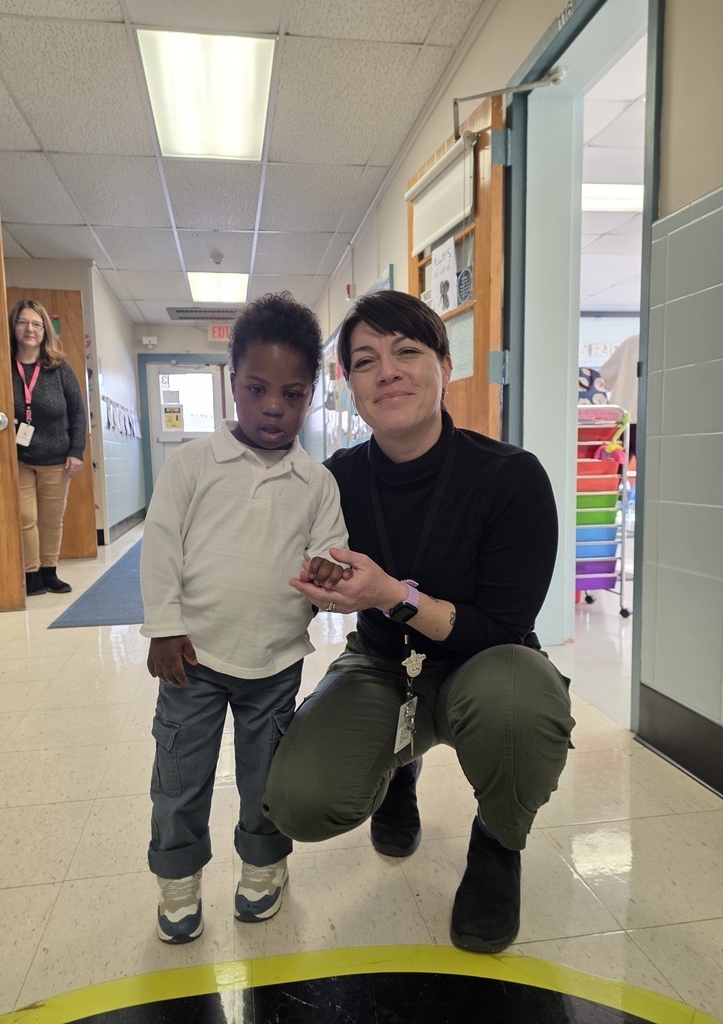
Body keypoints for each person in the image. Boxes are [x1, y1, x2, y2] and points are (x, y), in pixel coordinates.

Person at [263, 289, 575, 954]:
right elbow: (296, 575)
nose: (389, 371)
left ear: (445, 363)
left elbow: (501, 626)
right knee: (300, 800)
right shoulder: (334, 481)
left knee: (518, 706)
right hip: (382, 665)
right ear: (350, 385)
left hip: (488, 665)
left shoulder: (510, 478)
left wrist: (391, 595)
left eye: (408, 351)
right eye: (366, 360)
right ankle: (397, 770)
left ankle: (497, 844)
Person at [140, 292, 350, 944]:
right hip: (193, 661)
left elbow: (331, 554)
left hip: (275, 662)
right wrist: (163, 626)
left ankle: (263, 870)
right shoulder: (191, 466)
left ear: (311, 396)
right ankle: (178, 882)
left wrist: (325, 575)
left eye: (292, 394)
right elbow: (160, 550)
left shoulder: (317, 482)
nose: (272, 407)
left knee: (267, 781)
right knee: (180, 776)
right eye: (257, 389)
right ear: (233, 381)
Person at [9, 299, 86, 596]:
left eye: (36, 324)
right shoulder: (4, 366)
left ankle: (49, 571)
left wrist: (76, 451)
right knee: (26, 518)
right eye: (23, 323)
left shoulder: (59, 369)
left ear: (45, 331)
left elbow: (78, 412)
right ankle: (31, 576)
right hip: (19, 458)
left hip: (57, 458)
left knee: (52, 518)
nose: (30, 329)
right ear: (14, 327)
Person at [599, 333, 639, 463]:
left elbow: (604, 378)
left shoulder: (633, 341)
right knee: (652, 473)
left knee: (614, 472)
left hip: (622, 417)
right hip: (650, 421)